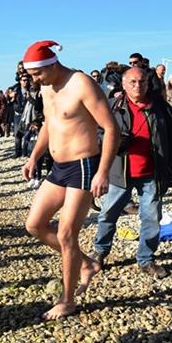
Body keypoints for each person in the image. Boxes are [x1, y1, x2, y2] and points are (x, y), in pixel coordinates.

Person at [21, 40, 119, 321]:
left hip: (84, 165)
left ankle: (68, 300)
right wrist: (33, 157)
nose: (34, 80)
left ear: (52, 65)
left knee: (66, 234)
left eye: (37, 74)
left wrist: (103, 171)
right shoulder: (46, 86)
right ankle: (85, 263)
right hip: (58, 167)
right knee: (35, 225)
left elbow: (111, 128)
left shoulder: (81, 84)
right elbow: (49, 124)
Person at [92, 67, 172, 279]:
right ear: (123, 85)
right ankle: (99, 252)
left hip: (152, 173)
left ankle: (146, 259)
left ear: (147, 83)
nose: (137, 86)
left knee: (152, 217)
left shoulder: (160, 107)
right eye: (132, 82)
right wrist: (114, 144)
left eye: (141, 82)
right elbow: (97, 134)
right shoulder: (113, 106)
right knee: (107, 214)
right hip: (119, 173)